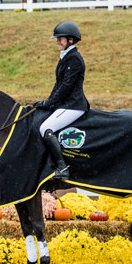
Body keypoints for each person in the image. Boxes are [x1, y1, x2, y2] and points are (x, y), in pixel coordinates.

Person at [34, 21, 90, 180]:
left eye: (61, 39)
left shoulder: (74, 59)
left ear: (70, 40)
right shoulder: (66, 56)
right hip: (65, 104)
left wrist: (49, 103)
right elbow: (58, 83)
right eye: (57, 39)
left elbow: (66, 87)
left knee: (46, 127)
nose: (58, 41)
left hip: (74, 105)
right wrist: (47, 102)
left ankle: (62, 167)